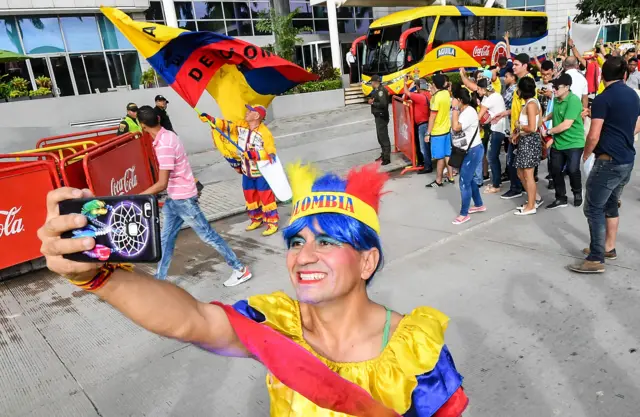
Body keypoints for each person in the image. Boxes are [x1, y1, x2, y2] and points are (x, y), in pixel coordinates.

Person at [37, 163, 469, 417]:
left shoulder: (418, 352)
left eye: (328, 242)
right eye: (296, 242)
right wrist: (99, 278)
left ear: (367, 261)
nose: (304, 256)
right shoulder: (275, 322)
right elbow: (193, 321)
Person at [135, 106, 251, 286]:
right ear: (158, 119)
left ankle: (240, 269)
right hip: (174, 198)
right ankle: (160, 279)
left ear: (143, 126)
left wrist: (137, 197)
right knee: (166, 239)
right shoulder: (168, 135)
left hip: (183, 199)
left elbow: (161, 184)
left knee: (208, 236)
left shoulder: (164, 145)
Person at [570, 57, 640, 274]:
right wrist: (624, 136)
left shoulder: (602, 98)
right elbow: (637, 123)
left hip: (608, 161)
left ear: (602, 76)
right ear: (625, 75)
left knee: (593, 207)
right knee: (610, 203)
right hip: (627, 159)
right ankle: (608, 247)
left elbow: (593, 135)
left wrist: (586, 155)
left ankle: (596, 257)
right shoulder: (633, 95)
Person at [200, 105, 280, 236]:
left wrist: (255, 155)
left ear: (257, 116)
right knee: (250, 197)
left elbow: (271, 154)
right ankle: (256, 219)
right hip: (246, 172)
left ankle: (272, 222)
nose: (247, 113)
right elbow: (227, 126)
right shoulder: (241, 125)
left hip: (261, 173)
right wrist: (211, 119)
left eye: (250, 111)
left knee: (266, 198)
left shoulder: (265, 133)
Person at [542, 74, 585, 210]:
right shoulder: (557, 99)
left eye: (557, 87)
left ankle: (577, 192)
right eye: (553, 87)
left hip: (574, 142)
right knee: (555, 170)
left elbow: (566, 124)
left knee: (573, 170)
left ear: (567, 87)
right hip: (558, 142)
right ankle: (560, 197)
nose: (554, 89)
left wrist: (549, 132)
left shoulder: (573, 101)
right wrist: (544, 119)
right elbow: (555, 113)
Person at [451, 88, 485, 225]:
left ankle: (464, 214)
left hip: (473, 151)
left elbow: (456, 127)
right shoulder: (464, 111)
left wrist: (454, 109)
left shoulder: (468, 112)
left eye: (454, 99)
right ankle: (479, 204)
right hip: (467, 150)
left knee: (464, 182)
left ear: (460, 100)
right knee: (469, 179)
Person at [512, 76, 543, 215]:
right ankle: (533, 198)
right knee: (520, 172)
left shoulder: (531, 105)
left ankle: (531, 205)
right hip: (526, 140)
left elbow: (532, 127)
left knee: (528, 174)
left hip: (530, 141)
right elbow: (539, 122)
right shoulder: (532, 102)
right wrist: (518, 134)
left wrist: (519, 126)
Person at [477, 78, 506, 194]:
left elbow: (479, 116)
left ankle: (496, 185)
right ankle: (496, 181)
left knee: (492, 157)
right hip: (498, 129)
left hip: (496, 130)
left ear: (484, 89)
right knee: (493, 157)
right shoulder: (495, 96)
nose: (478, 92)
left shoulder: (491, 99)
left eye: (479, 89)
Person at [426, 73, 454, 187]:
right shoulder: (446, 94)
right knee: (448, 154)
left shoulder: (437, 98)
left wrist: (428, 133)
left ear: (434, 84)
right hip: (447, 129)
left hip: (437, 131)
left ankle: (438, 180)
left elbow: (432, 117)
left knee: (440, 157)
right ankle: (451, 176)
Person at [404, 77, 432, 173]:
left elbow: (406, 94)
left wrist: (405, 83)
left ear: (418, 87)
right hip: (427, 122)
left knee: (423, 147)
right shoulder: (428, 94)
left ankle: (427, 166)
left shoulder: (419, 96)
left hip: (422, 124)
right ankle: (426, 163)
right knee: (426, 146)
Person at [368, 75, 391, 166]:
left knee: (383, 137)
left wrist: (373, 102)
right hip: (378, 116)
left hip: (382, 117)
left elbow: (383, 104)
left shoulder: (381, 91)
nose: (371, 84)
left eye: (372, 82)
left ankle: (387, 158)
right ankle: (383, 154)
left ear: (375, 82)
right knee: (380, 137)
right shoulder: (377, 90)